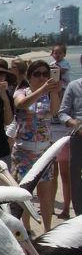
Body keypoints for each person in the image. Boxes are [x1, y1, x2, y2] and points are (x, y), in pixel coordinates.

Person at [11, 60, 61, 233]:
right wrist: (42, 90)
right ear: (29, 76)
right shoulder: (21, 91)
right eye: (37, 74)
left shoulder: (49, 94)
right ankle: (26, 229)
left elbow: (54, 111)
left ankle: (48, 230)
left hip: (44, 151)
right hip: (24, 152)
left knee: (46, 196)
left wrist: (54, 92)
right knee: (25, 195)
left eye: (45, 74)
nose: (42, 77)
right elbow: (20, 104)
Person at [57, 75, 82, 218]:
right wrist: (76, 124)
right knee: (76, 179)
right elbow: (62, 113)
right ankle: (79, 216)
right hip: (79, 137)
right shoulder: (73, 86)